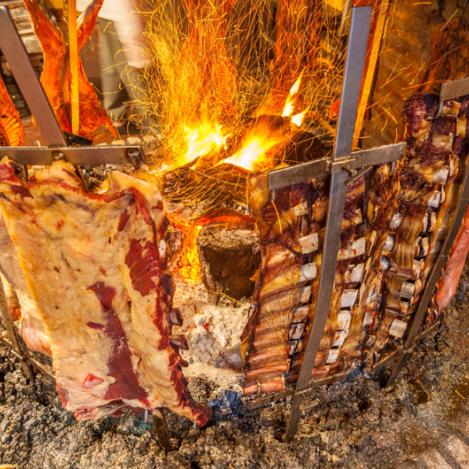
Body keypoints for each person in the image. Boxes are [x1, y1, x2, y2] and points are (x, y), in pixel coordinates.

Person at [77, 0, 150, 132]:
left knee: (111, 60)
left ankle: (115, 115)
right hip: (117, 6)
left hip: (108, 8)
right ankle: (153, 125)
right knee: (130, 64)